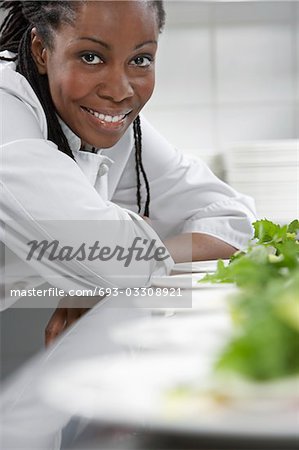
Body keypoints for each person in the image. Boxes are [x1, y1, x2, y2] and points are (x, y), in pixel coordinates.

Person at [0, 0, 256, 344]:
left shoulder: (104, 120)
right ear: (41, 50)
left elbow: (235, 221)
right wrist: (107, 265)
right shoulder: (7, 115)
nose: (120, 91)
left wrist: (102, 270)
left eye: (140, 60)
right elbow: (114, 263)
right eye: (91, 57)